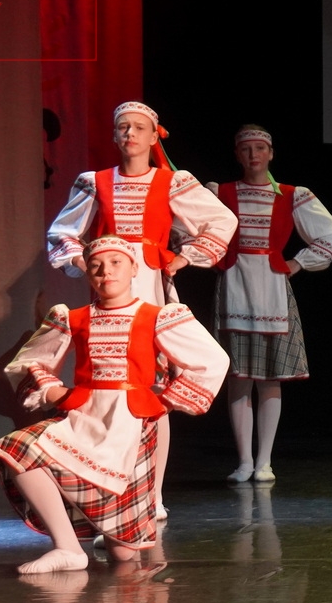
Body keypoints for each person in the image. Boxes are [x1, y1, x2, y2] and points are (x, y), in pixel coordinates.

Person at [0, 237, 230, 573]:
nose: (106, 272)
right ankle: (67, 548)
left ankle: (111, 532)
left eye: (116, 263)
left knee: (122, 554)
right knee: (17, 449)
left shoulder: (157, 316)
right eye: (96, 266)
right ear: (88, 274)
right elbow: (28, 361)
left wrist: (167, 401)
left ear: (134, 269)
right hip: (84, 416)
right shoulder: (73, 318)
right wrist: (52, 391)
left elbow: (212, 360)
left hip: (130, 423)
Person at [46, 101, 237, 520]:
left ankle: (152, 494)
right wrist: (81, 260)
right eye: (123, 127)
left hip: (149, 289)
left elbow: (221, 221)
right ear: (115, 136)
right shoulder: (96, 181)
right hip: (109, 290)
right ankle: (106, 486)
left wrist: (186, 257)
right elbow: (63, 231)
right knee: (108, 387)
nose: (130, 134)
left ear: (154, 137)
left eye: (138, 127)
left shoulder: (171, 182)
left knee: (150, 391)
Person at [207, 126, 332, 486]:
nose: (253, 155)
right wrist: (212, 254)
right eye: (246, 149)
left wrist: (297, 263)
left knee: (270, 379)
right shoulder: (221, 193)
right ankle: (244, 461)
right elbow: (190, 226)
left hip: (272, 288)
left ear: (270, 153)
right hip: (235, 286)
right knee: (239, 378)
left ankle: (264, 461)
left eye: (260, 148)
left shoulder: (291, 195)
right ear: (237, 155)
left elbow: (330, 233)